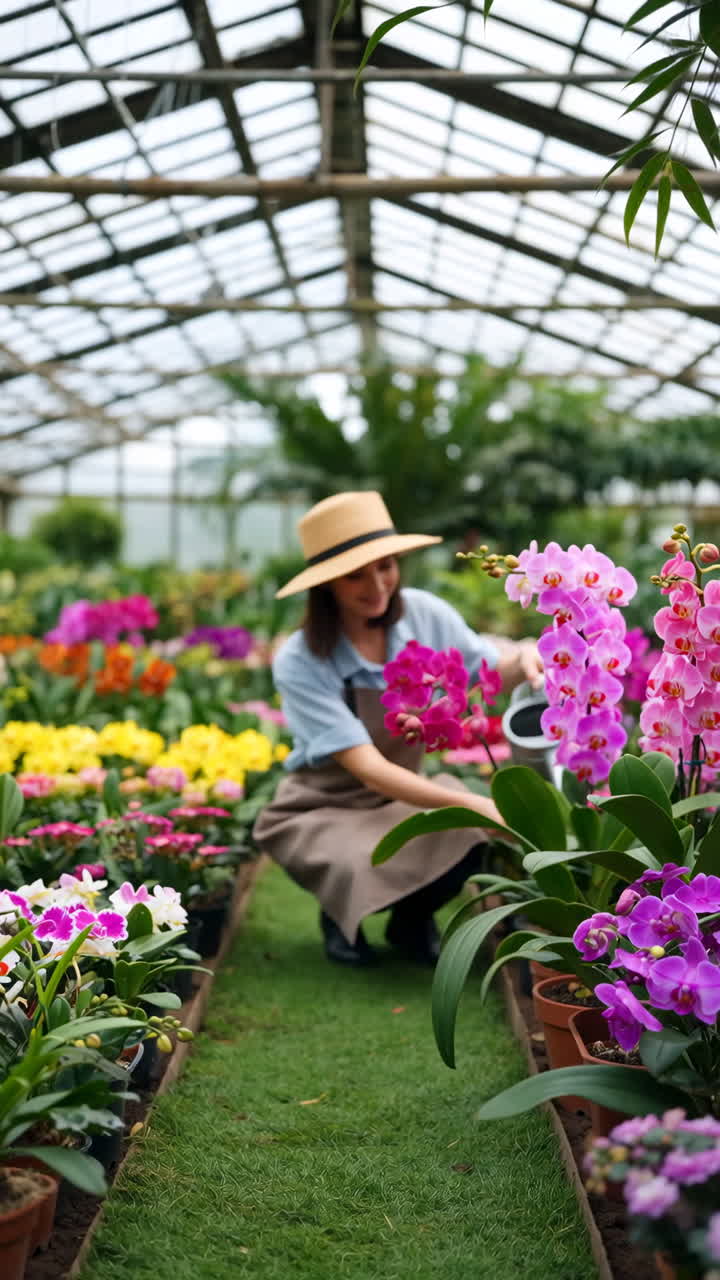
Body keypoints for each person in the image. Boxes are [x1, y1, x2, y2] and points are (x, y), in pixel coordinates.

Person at [253, 491, 543, 968]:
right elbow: (368, 768)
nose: (377, 585)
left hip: (401, 796)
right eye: (355, 575)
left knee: (471, 833)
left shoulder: (424, 613)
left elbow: (487, 672)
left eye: (385, 565)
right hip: (327, 806)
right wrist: (475, 802)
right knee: (375, 853)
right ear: (325, 585)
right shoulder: (300, 660)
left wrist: (528, 653)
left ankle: (411, 920)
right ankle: (338, 914)